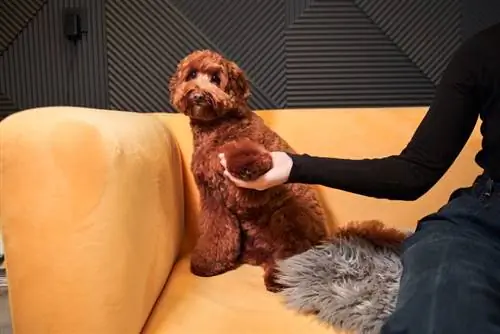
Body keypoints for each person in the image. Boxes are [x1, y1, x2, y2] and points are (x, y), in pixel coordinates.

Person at [219, 22, 500, 334]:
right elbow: (413, 172)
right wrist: (293, 167)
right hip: (484, 218)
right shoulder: (484, 50)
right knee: (441, 279)